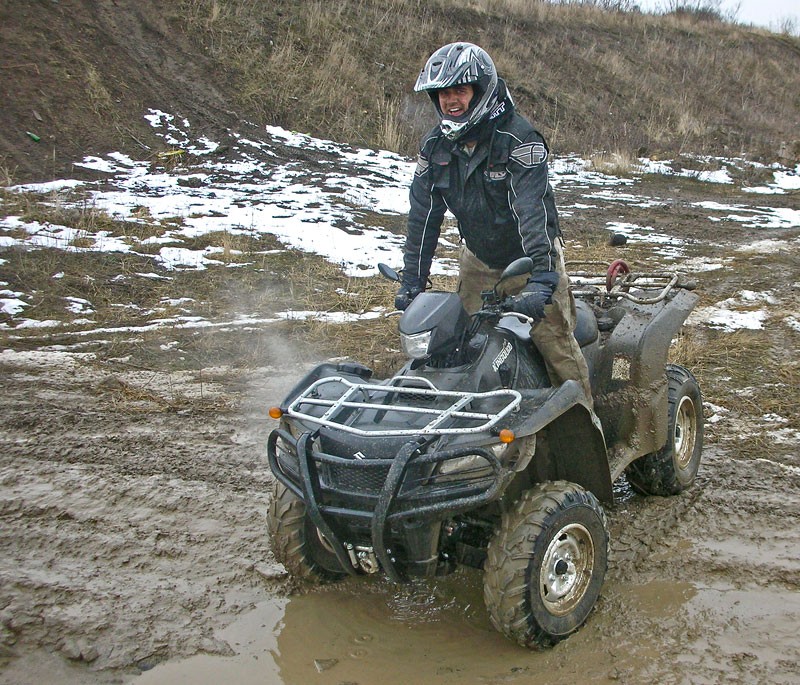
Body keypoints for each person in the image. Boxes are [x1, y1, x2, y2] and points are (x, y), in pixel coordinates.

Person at [396, 42, 592, 401]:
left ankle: (585, 423)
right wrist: (413, 280)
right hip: (479, 260)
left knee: (555, 346)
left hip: (530, 258)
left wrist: (542, 280)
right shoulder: (435, 148)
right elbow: (423, 216)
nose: (450, 100)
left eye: (460, 90)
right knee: (459, 343)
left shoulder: (518, 139)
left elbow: (533, 212)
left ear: (481, 91)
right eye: (442, 93)